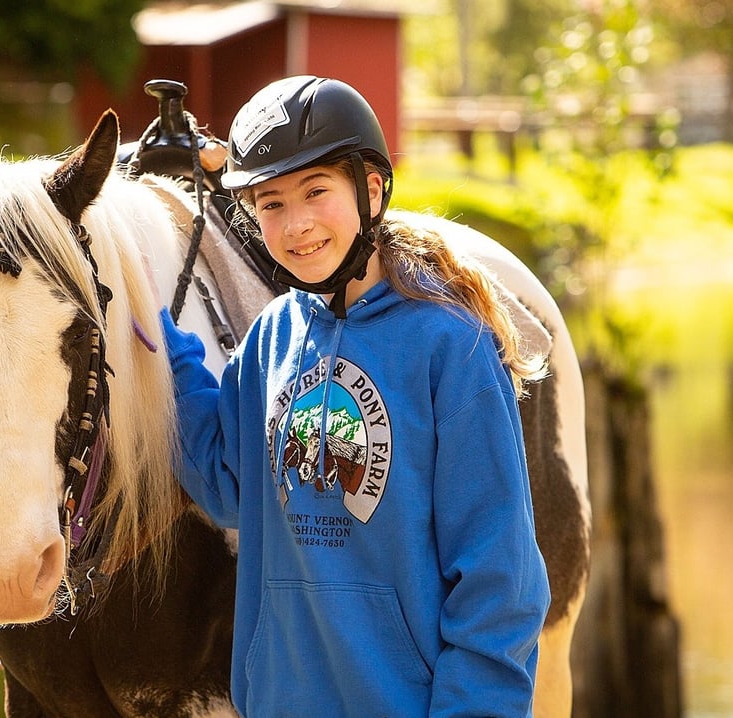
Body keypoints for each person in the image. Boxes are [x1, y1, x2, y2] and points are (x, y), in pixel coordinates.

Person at [160, 75, 550, 717]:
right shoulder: (272, 337)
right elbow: (230, 485)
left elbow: (498, 581)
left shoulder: (451, 347)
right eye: (271, 203)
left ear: (370, 191)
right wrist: (173, 365)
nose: (297, 224)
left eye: (316, 191)